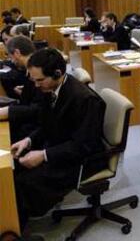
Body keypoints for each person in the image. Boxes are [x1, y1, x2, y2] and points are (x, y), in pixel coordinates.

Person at [11, 48, 106, 229]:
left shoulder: (85, 99)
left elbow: (83, 145)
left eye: (40, 80)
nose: (36, 86)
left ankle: (16, 229)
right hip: (61, 146)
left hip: (84, 159)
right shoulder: (50, 88)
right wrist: (29, 141)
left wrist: (44, 155)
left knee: (23, 182)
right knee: (14, 168)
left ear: (57, 73)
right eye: (34, 80)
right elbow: (46, 124)